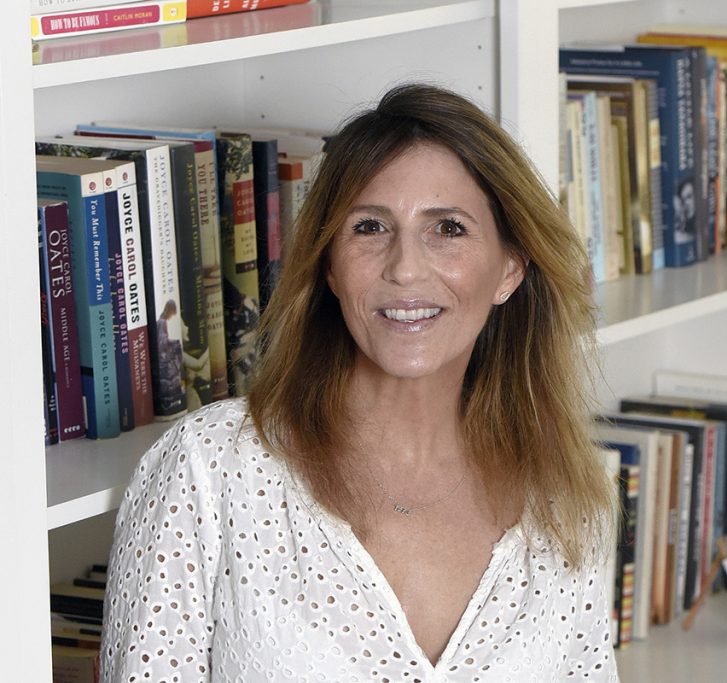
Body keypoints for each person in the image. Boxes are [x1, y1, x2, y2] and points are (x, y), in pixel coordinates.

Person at [101, 83, 620, 681]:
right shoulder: (209, 468)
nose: (405, 269)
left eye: (448, 229)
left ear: (509, 268)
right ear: (329, 264)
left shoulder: (565, 497)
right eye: (370, 227)